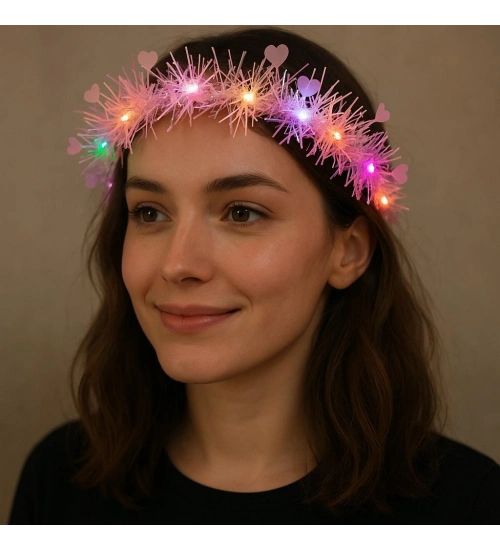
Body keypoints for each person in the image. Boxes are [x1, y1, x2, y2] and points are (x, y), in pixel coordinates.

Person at [8, 26, 500, 527]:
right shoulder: (60, 483)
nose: (178, 264)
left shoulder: (467, 509)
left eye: (241, 213)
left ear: (348, 252)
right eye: (150, 213)